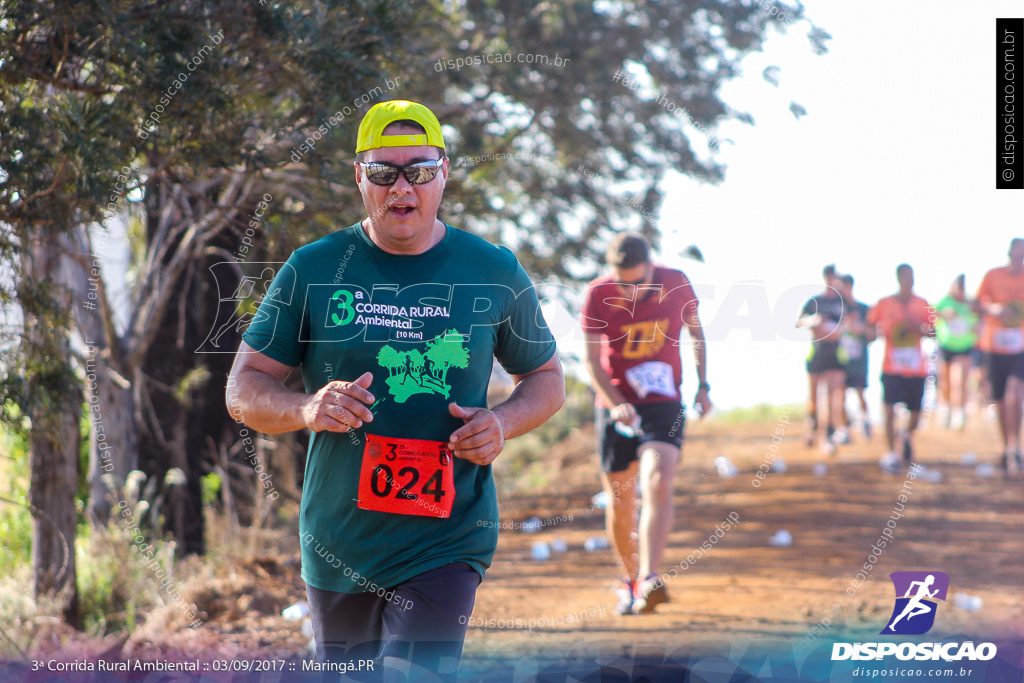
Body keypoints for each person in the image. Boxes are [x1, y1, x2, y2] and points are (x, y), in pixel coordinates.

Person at [225, 100, 564, 683]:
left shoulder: (492, 270)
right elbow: (243, 387)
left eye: (420, 171)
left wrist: (502, 423)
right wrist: (307, 407)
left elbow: (548, 379)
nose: (401, 186)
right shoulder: (313, 269)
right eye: (383, 172)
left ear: (443, 173)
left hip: (448, 537)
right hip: (339, 541)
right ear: (359, 177)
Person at [580, 232, 711, 615]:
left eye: (638, 282)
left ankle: (651, 576)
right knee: (622, 501)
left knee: (658, 477)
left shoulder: (676, 282)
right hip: (616, 403)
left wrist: (703, 385)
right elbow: (590, 362)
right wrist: (617, 404)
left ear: (652, 266)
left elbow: (697, 335)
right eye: (624, 283)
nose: (631, 290)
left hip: (664, 401)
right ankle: (632, 580)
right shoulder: (596, 294)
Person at [867, 264, 935, 472]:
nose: (910, 281)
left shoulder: (923, 304)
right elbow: (869, 326)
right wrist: (874, 333)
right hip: (891, 367)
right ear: (899, 278)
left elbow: (935, 332)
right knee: (889, 408)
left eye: (912, 277)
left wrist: (919, 328)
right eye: (906, 277)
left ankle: (905, 435)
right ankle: (891, 452)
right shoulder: (884, 304)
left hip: (916, 369)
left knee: (916, 412)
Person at [976, 238, 1024, 471]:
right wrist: (993, 308)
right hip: (995, 347)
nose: (1018, 261)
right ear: (1009, 254)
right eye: (1015, 256)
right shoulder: (992, 276)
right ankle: (1008, 448)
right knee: (1001, 400)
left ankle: (1016, 446)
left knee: (1016, 392)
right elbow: (977, 303)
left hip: (1021, 347)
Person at [796, 265, 847, 454]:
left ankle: (829, 434)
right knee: (814, 397)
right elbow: (798, 322)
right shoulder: (814, 302)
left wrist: (840, 329)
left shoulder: (843, 303)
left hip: (836, 352)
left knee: (833, 395)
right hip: (817, 351)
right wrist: (811, 322)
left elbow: (850, 324)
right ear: (826, 277)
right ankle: (812, 428)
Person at [934, 274, 978, 431]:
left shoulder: (971, 303)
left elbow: (979, 319)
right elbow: (932, 313)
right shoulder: (944, 301)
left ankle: (960, 411)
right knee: (945, 380)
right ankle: (945, 407)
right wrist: (944, 314)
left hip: (964, 346)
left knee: (960, 381)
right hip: (946, 345)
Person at [836, 274, 875, 439]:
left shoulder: (863, 309)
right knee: (840, 393)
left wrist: (862, 330)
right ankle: (844, 429)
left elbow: (873, 334)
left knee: (860, 392)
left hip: (859, 360)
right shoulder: (835, 310)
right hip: (840, 360)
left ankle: (865, 421)